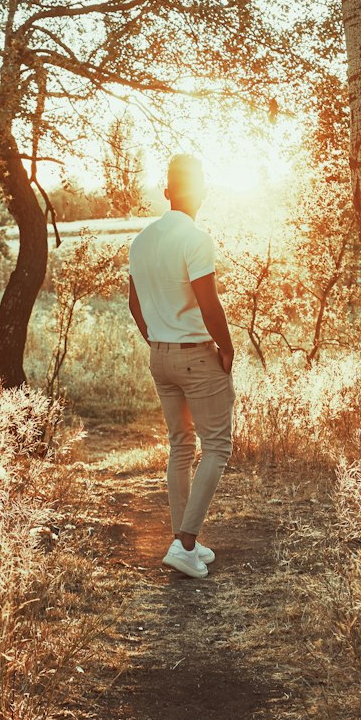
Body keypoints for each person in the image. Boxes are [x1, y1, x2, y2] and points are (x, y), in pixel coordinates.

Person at [128, 154, 235, 579]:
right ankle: (186, 542)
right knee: (217, 446)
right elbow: (209, 303)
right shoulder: (196, 238)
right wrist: (225, 349)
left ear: (167, 191)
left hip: (161, 355)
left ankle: (182, 541)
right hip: (195, 354)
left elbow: (133, 302)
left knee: (180, 445)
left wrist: (157, 338)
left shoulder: (141, 240)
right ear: (202, 192)